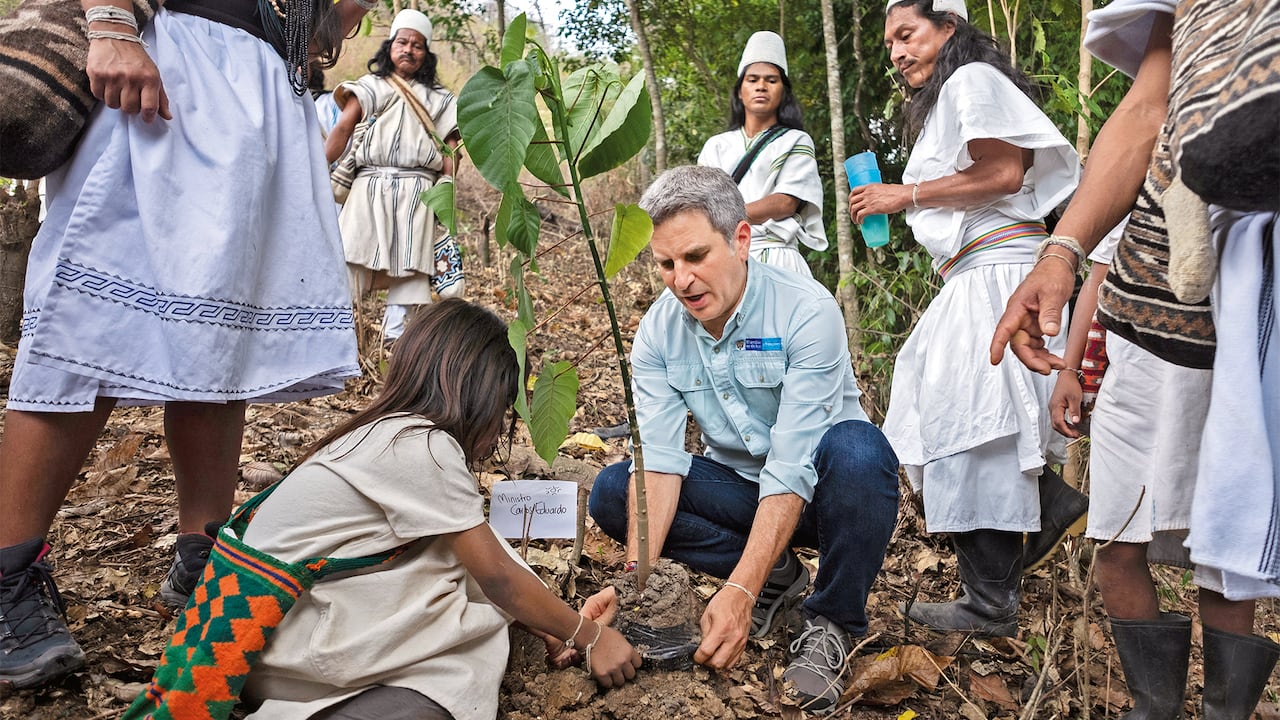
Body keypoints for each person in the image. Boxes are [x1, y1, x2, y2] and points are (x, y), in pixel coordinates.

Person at [0, 0, 368, 689]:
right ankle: (6, 573)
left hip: (257, 81)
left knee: (223, 341)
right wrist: (110, 24)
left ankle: (204, 559)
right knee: (92, 328)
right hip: (165, 63)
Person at [991, 0, 1280, 715]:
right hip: (1151, 299)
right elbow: (1150, 106)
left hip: (1256, 303)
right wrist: (1063, 251)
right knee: (1118, 537)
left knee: (1229, 545)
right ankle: (1156, 709)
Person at [231, 299, 641, 720]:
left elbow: (473, 554)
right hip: (296, 654)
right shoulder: (421, 446)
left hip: (271, 644)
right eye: (501, 412)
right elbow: (498, 578)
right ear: (478, 397)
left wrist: (544, 619)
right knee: (459, 666)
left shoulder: (386, 434)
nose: (498, 431)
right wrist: (588, 635)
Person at [588, 165, 900, 714]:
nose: (680, 280)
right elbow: (659, 464)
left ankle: (831, 619)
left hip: (825, 495)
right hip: (739, 491)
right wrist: (635, 585)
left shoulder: (806, 311)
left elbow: (793, 464)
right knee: (616, 490)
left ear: (741, 239)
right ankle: (780, 575)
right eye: (665, 264)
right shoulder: (658, 333)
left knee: (860, 449)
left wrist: (739, 591)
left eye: (695, 257)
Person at [846, 0, 1085, 638]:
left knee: (967, 423)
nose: (897, 52)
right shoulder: (953, 95)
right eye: (890, 42)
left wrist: (908, 194)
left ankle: (991, 596)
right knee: (952, 418)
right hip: (977, 272)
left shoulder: (971, 79)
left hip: (998, 271)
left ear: (948, 27)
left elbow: (1005, 171)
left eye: (908, 34)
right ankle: (1046, 510)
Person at [325, 9, 462, 345]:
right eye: (402, 42)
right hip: (368, 186)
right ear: (390, 46)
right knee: (348, 260)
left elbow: (451, 151)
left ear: (426, 53)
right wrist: (314, 171)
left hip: (419, 192)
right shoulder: (370, 87)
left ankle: (394, 345)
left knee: (412, 270)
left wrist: (446, 188)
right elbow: (342, 128)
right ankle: (334, 340)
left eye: (417, 45)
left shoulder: (442, 100)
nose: (409, 50)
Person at [697, 31, 827, 277]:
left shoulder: (795, 140)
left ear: (783, 92)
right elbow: (701, 204)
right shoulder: (716, 145)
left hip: (778, 258)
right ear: (740, 90)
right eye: (753, 79)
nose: (761, 86)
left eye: (771, 80)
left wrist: (722, 215)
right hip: (724, 257)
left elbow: (785, 202)